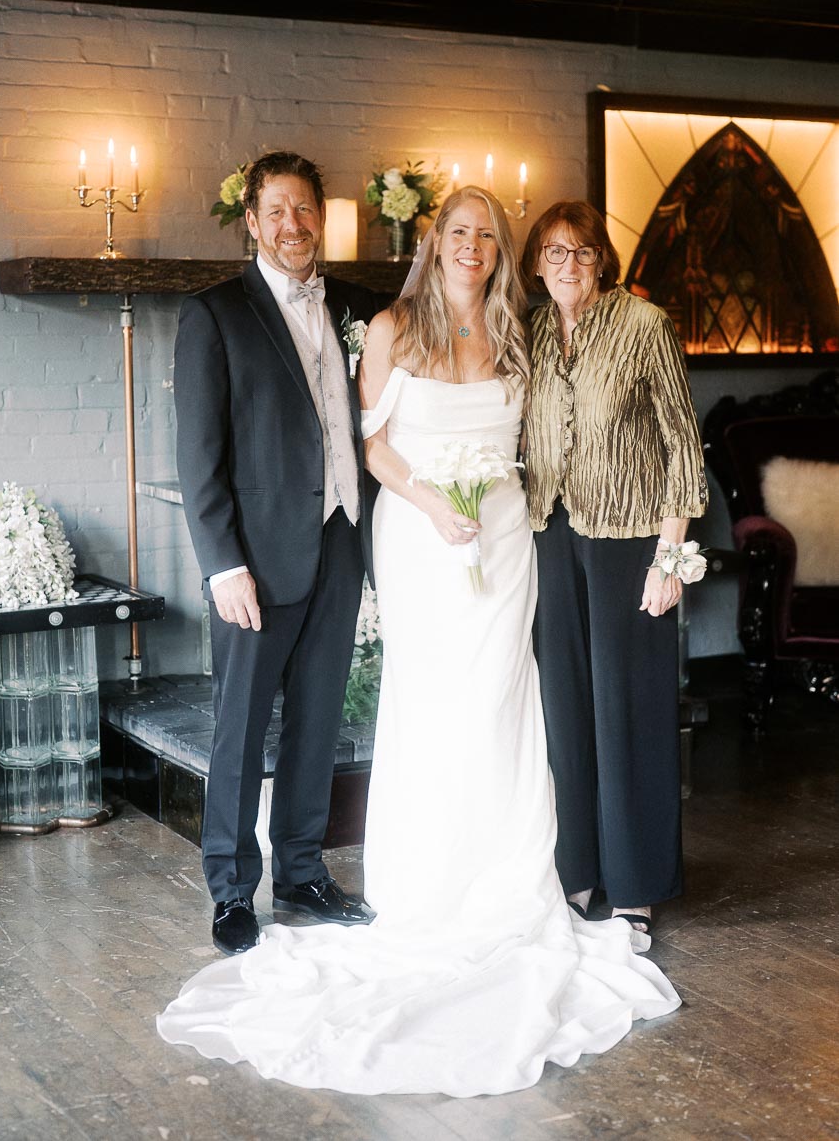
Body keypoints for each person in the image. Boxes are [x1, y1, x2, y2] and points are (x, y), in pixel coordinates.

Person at [158, 186, 680, 1096]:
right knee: (433, 703)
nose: (473, 246)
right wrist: (436, 502)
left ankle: (523, 872)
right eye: (459, 233)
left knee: (506, 703)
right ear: (433, 244)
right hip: (421, 536)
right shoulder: (394, 326)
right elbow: (370, 446)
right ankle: (364, 880)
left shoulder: (519, 329)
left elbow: (547, 439)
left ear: (499, 251)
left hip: (510, 540)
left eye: (488, 235)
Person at [173, 150, 380, 956]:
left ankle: (302, 873)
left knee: (319, 722)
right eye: (278, 212)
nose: (294, 226)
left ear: (319, 219)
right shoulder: (216, 314)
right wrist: (222, 564)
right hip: (256, 560)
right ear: (252, 223)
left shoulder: (360, 306)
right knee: (241, 724)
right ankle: (232, 889)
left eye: (305, 211)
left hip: (340, 539)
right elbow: (200, 455)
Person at [521, 200, 708, 938]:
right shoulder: (530, 332)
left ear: (605, 261)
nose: (569, 265)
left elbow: (683, 452)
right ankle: (579, 874)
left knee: (628, 714)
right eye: (555, 253)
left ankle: (635, 887)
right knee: (566, 714)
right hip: (549, 537)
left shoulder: (645, 325)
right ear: (536, 263)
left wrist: (669, 562)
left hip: (631, 544)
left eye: (584, 252)